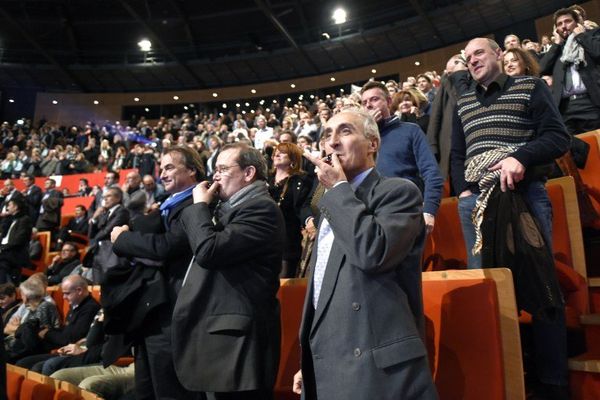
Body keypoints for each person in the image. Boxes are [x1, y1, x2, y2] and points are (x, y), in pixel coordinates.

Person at [450, 37, 571, 399]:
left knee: (542, 288)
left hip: (525, 195)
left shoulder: (529, 86)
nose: (472, 61)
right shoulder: (463, 102)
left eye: (479, 53)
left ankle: (553, 383)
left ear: (499, 54)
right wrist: (465, 192)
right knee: (488, 291)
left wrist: (520, 156)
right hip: (477, 205)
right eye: (467, 57)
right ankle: (505, 379)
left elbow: (558, 137)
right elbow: (458, 156)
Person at [292, 109, 438, 399]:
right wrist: (315, 361)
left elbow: (373, 253)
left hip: (378, 371)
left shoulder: (399, 192)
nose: (332, 142)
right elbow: (325, 291)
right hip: (332, 362)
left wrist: (337, 188)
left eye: (344, 131)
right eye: (326, 135)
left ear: (373, 143)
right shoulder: (331, 204)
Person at [171, 142, 284, 399]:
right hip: (220, 341)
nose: (215, 176)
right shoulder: (228, 209)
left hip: (239, 345)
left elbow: (209, 251)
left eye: (222, 168)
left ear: (249, 173)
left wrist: (199, 207)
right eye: (215, 169)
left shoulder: (261, 209)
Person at [110, 146, 205, 400]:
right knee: (146, 389)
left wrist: (123, 239)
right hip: (152, 310)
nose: (162, 174)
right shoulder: (167, 205)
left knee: (169, 391)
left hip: (173, 311)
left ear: (192, 170)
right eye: (161, 168)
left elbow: (167, 247)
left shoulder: (196, 202)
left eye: (170, 167)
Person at [360, 80, 443, 233]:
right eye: (364, 102)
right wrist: (366, 127)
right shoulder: (360, 139)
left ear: (389, 101)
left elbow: (431, 171)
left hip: (404, 211)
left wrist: (429, 209)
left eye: (374, 99)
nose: (368, 105)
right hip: (367, 216)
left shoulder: (411, 131)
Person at [15, 275, 100, 368]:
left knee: (24, 363)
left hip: (72, 352)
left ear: (79, 291)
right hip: (60, 345)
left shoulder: (90, 308)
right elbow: (66, 332)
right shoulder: (75, 304)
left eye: (67, 293)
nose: (64, 297)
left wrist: (47, 333)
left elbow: (70, 339)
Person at [539, 7, 600, 135]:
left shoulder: (592, 35)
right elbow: (542, 69)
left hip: (590, 103)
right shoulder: (558, 48)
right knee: (571, 151)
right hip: (565, 108)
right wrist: (556, 44)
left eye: (567, 21)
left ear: (577, 23)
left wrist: (581, 35)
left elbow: (597, 52)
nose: (563, 26)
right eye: (559, 24)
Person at [268, 143, 312, 277]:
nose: (277, 154)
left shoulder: (299, 181)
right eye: (276, 152)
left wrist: (309, 220)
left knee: (282, 290)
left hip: (287, 243)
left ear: (293, 159)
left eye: (282, 152)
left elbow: (303, 207)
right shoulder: (265, 180)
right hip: (263, 243)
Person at [0, 197, 32, 283]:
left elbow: (18, 240)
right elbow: (3, 236)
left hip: (15, 254)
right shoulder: (10, 220)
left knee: (2, 263)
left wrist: (2, 248)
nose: (7, 208)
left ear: (16, 207)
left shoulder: (25, 220)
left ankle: (3, 290)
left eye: (9, 205)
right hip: (5, 251)